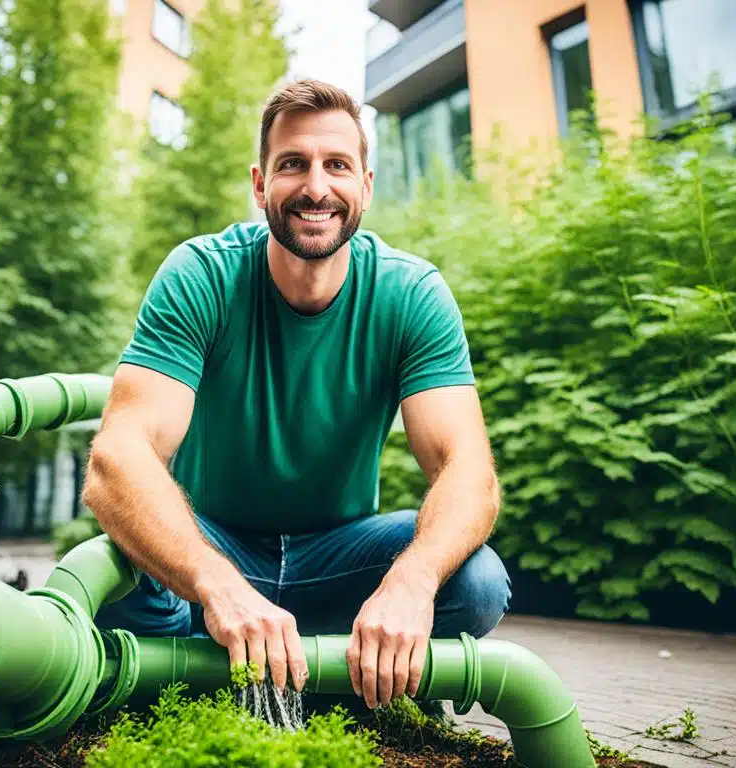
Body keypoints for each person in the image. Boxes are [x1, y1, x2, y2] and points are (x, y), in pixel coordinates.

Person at [80, 79, 510, 713]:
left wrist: (411, 584)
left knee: (475, 583)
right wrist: (215, 584)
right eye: (293, 165)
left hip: (340, 558)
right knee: (115, 573)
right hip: (212, 547)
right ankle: (227, 685)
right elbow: (117, 459)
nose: (316, 187)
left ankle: (320, 671)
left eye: (337, 165)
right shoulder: (202, 274)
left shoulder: (412, 293)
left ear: (366, 183)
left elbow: (468, 470)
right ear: (260, 184)